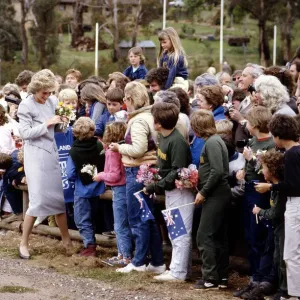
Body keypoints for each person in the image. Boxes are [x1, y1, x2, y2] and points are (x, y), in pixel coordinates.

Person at [109, 81, 165, 274]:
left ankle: (139, 261)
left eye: (125, 98)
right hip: (148, 171)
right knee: (148, 217)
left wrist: (119, 147)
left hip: (137, 171)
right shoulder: (149, 116)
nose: (124, 102)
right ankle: (157, 262)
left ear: (130, 99)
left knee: (138, 217)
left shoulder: (139, 121)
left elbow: (138, 149)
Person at [17, 69, 72, 259]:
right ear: (35, 89)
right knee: (37, 200)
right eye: (44, 93)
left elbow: (60, 130)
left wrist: (64, 121)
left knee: (58, 199)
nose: (47, 96)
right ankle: (24, 242)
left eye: (49, 92)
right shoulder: (25, 106)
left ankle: (67, 241)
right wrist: (47, 124)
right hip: (34, 156)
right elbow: (25, 133)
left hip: (51, 154)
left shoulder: (53, 101)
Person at [144, 101, 194, 281]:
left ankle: (178, 273)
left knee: (180, 232)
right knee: (174, 231)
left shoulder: (177, 141)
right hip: (170, 191)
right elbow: (164, 166)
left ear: (158, 123)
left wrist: (155, 185)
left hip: (181, 191)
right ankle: (178, 269)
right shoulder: (163, 137)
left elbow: (177, 170)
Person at [255, 115, 300, 299]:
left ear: (279, 136)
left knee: (291, 253)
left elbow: (293, 186)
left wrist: (271, 186)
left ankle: (294, 293)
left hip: (295, 205)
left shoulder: (291, 154)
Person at [233, 106, 275, 298]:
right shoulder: (252, 141)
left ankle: (261, 278)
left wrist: (251, 161)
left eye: (248, 122)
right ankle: (253, 278)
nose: (246, 125)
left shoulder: (270, 143)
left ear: (256, 124)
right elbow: (249, 167)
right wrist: (242, 172)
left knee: (258, 236)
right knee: (249, 235)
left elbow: (268, 170)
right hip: (249, 189)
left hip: (261, 192)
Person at [190, 110, 231, 289]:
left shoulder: (213, 143)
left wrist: (204, 192)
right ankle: (221, 277)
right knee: (218, 236)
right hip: (217, 193)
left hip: (216, 194)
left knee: (204, 234)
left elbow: (218, 171)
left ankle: (210, 278)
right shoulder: (214, 141)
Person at [247, 150, 287, 300]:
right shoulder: (272, 187)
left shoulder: (279, 190)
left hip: (282, 227)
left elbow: (276, 212)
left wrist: (260, 211)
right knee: (276, 257)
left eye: (264, 168)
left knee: (283, 257)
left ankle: (285, 291)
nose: (262, 171)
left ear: (272, 170)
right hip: (276, 228)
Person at [94, 122, 132, 265]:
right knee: (123, 223)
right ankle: (123, 254)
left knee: (120, 225)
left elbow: (115, 175)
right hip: (125, 187)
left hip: (119, 188)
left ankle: (125, 256)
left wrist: (101, 175)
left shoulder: (112, 152)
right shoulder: (124, 149)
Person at [66, 117, 105, 257]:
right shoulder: (99, 145)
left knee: (81, 219)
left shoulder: (74, 151)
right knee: (93, 216)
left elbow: (70, 173)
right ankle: (91, 242)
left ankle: (89, 245)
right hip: (99, 187)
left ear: (75, 133)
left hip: (82, 189)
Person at [190, 85, 226, 168]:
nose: (198, 103)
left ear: (211, 105)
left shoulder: (215, 122)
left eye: (201, 101)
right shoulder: (212, 117)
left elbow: (200, 150)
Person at [158, 27, 188, 91]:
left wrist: (164, 90)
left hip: (178, 83)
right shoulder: (164, 55)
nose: (162, 45)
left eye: (164, 42)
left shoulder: (176, 57)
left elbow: (171, 76)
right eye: (161, 43)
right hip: (169, 82)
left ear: (172, 40)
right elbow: (160, 72)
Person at [0, 150, 25, 223]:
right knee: (5, 185)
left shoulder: (12, 172)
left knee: (7, 188)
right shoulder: (14, 153)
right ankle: (16, 211)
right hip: (16, 171)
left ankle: (18, 213)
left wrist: (16, 181)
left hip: (25, 178)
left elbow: (21, 177)